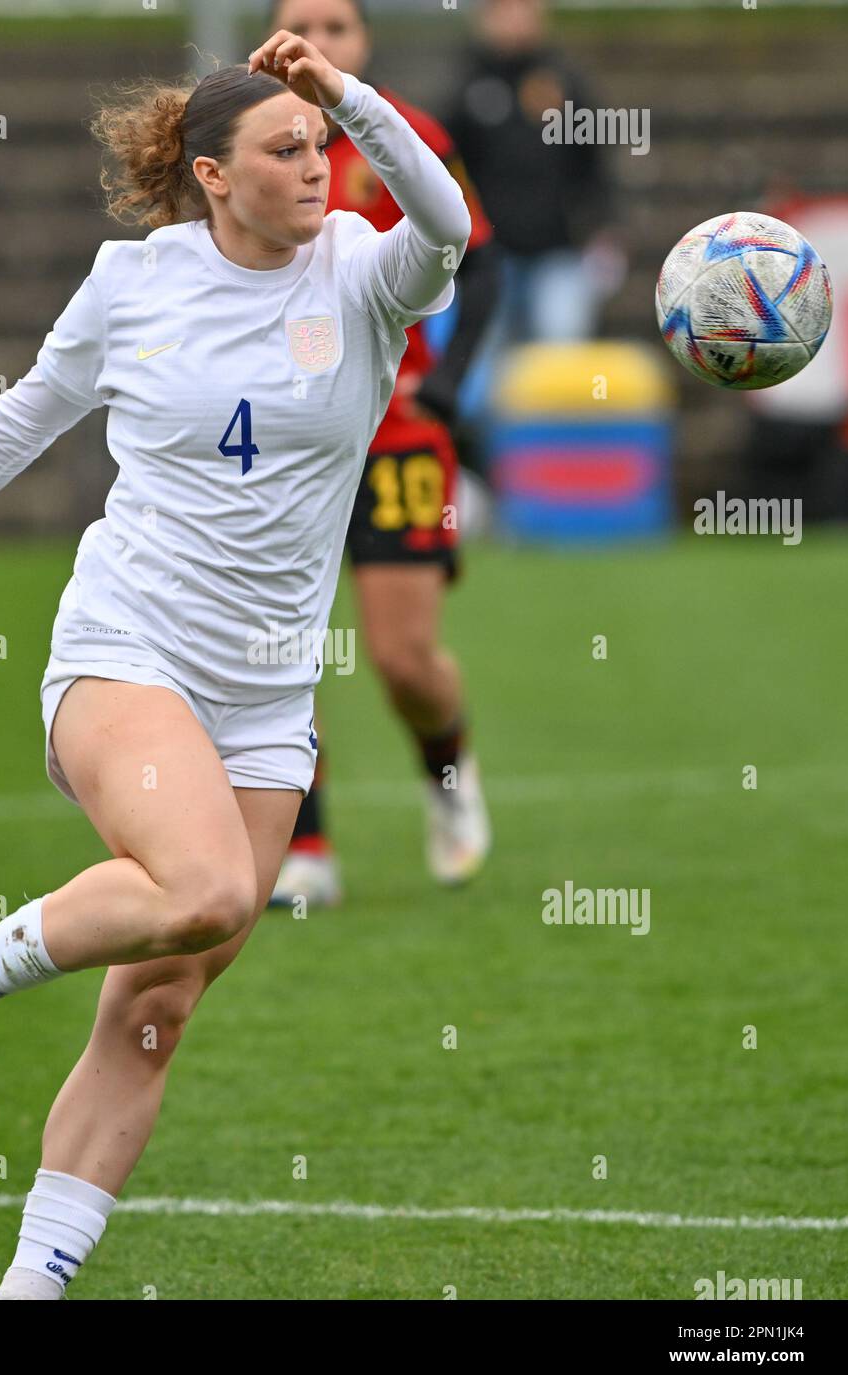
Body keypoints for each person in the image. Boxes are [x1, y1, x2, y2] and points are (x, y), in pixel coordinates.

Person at [0, 28, 471, 1300]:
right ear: (212, 175)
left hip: (266, 693)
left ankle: (28, 1289)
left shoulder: (360, 270)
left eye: (322, 147)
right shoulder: (135, 281)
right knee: (208, 887)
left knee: (154, 1011)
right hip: (128, 643)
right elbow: (28, 410)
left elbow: (446, 223)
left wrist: (342, 90)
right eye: (284, 149)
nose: (315, 166)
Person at [267, 0, 496, 909]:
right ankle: (306, 846)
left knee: (403, 660)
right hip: (285, 438)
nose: (319, 44)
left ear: (362, 45)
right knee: (277, 648)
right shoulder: (249, 137)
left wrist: (446, 388)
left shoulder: (409, 137)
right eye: (303, 27)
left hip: (396, 432)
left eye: (338, 28)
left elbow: (479, 263)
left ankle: (448, 775)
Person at [443, 0, 620, 467]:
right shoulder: (467, 89)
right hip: (490, 261)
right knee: (485, 380)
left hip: (558, 255)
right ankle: (499, 481)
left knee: (561, 369)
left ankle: (561, 479)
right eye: (503, 10)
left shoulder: (566, 83)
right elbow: (445, 172)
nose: (516, 19)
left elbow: (594, 166)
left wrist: (602, 234)